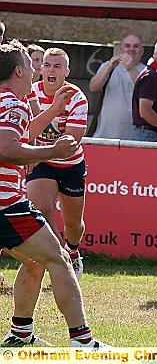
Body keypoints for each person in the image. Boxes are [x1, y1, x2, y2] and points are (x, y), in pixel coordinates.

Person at [0, 40, 106, 348]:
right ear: (19, 71)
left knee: (35, 261)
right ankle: (83, 342)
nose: (38, 68)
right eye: (32, 64)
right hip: (6, 204)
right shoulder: (14, 104)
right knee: (59, 259)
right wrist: (53, 149)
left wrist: (55, 110)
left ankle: (20, 334)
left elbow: (21, 135)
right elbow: (6, 148)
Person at [26, 48, 89, 280]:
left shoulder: (76, 97)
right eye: (47, 65)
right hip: (41, 161)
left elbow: (72, 141)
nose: (51, 70)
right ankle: (60, 260)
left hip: (71, 163)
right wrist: (32, 153)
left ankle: (72, 251)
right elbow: (26, 130)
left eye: (57, 66)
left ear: (67, 72)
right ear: (40, 69)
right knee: (42, 211)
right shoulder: (30, 93)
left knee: (74, 225)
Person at [90, 34, 145, 140]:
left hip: (133, 136)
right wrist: (108, 68)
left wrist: (131, 68)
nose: (131, 49)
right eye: (127, 46)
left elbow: (144, 90)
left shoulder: (147, 71)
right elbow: (93, 87)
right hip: (105, 133)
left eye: (136, 46)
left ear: (142, 51)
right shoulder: (109, 65)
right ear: (121, 49)